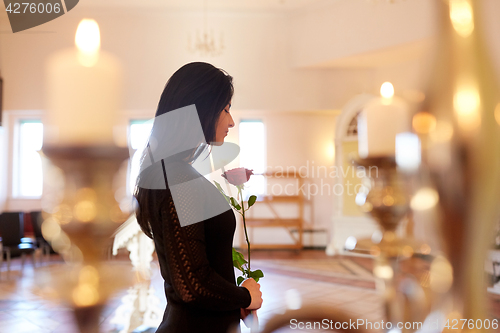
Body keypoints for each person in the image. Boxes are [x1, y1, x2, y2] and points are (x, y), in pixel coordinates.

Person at [134, 62, 263, 333]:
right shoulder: (178, 177)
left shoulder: (172, 171)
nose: (231, 121)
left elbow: (197, 269)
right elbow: (192, 285)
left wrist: (232, 300)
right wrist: (245, 296)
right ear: (201, 109)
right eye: (225, 108)